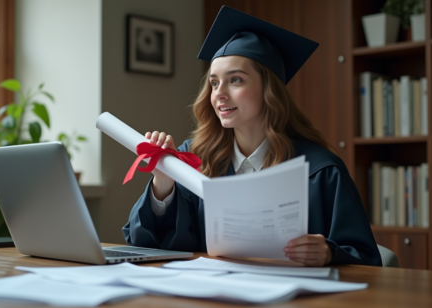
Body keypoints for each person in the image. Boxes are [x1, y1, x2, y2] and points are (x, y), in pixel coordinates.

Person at [123, 6, 382, 267]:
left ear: (269, 91)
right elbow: (149, 245)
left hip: (297, 302)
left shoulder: (320, 170)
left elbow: (366, 258)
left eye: (235, 80)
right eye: (214, 83)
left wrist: (329, 252)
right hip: (213, 298)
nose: (219, 93)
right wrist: (164, 183)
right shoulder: (195, 159)